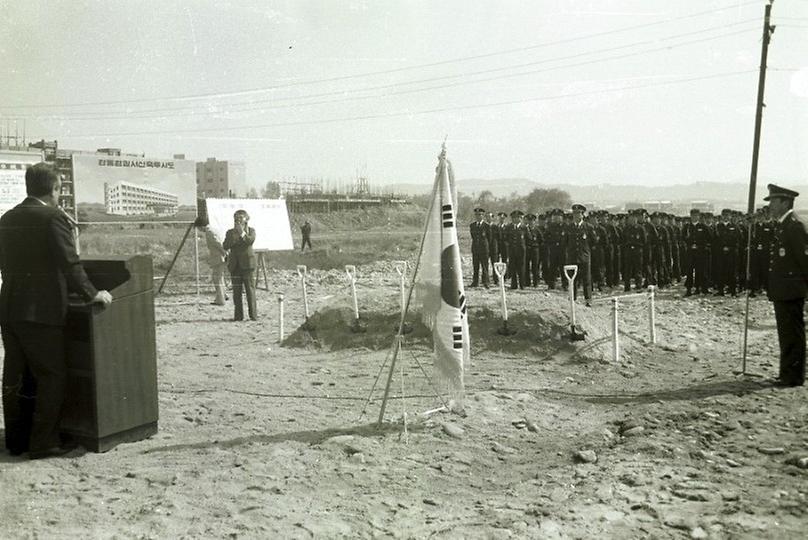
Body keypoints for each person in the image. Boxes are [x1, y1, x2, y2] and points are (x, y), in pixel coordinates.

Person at [0, 163, 113, 459]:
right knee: (52, 375)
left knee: (16, 375)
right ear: (54, 190)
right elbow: (69, 263)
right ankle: (44, 443)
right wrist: (92, 293)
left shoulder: (7, 218)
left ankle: (17, 440)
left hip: (10, 308)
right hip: (41, 312)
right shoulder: (53, 217)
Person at [764, 184, 807, 387]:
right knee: (786, 333)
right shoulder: (783, 225)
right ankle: (786, 372)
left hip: (792, 290)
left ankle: (794, 376)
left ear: (784, 202)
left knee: (793, 334)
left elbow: (804, 261)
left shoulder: (794, 226)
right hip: (783, 290)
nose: (770, 205)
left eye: (773, 201)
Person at [223, 209, 258, 321]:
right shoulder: (230, 232)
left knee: (250, 291)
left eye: (241, 217)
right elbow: (225, 246)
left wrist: (242, 233)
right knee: (236, 293)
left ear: (246, 219)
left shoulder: (251, 231)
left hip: (248, 265)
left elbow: (250, 241)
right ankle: (238, 316)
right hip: (235, 266)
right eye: (236, 217)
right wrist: (235, 237)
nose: (238, 220)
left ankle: (253, 316)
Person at [196, 219, 228, 305]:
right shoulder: (212, 230)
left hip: (218, 257)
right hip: (219, 256)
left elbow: (218, 243)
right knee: (219, 277)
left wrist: (225, 252)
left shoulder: (209, 232)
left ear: (201, 226)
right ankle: (223, 295)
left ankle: (220, 300)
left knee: (217, 278)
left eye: (198, 228)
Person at [469, 207, 490, 288]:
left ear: (483, 215)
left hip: (484, 249)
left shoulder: (486, 226)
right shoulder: (472, 225)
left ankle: (486, 282)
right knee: (475, 266)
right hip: (475, 249)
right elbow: (473, 237)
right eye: (476, 215)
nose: (478, 216)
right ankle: (475, 282)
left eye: (480, 215)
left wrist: (487, 248)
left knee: (485, 266)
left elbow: (489, 238)